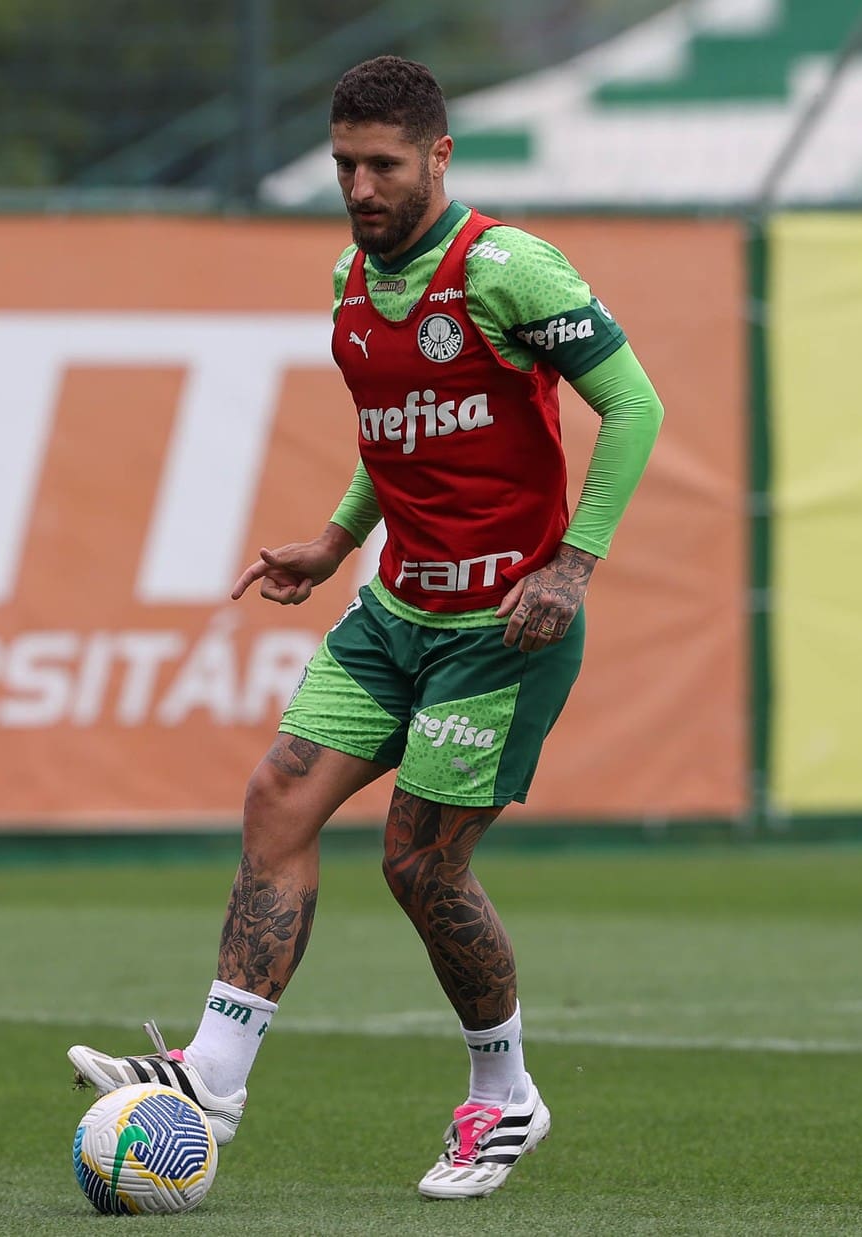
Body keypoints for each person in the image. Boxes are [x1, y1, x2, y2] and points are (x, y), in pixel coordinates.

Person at [69, 54, 664, 1200]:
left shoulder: (506, 269)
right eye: (345, 163)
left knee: (419, 863)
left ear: (438, 156)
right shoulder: (351, 279)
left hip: (503, 626)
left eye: (383, 164)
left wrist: (573, 565)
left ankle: (505, 1095)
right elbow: (398, 436)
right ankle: (212, 1081)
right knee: (278, 798)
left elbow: (633, 404)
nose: (359, 185)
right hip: (395, 610)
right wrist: (338, 542)